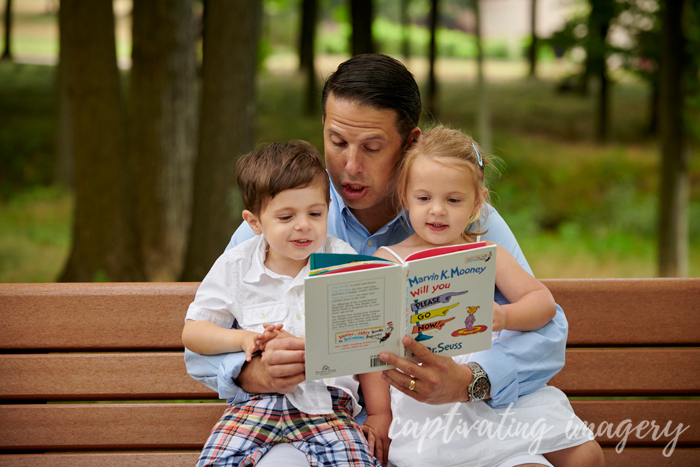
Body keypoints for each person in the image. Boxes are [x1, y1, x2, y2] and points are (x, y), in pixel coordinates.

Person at [184, 53, 571, 467]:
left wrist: (469, 381)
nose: (350, 165)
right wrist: (253, 371)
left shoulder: (463, 220)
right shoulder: (278, 225)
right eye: (337, 142)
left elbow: (547, 333)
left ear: (411, 142)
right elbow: (202, 343)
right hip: (314, 424)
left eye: (371, 147)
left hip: (441, 425)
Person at [373, 125, 603, 467]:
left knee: (587, 456)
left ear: (477, 202)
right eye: (424, 198)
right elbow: (374, 354)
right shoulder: (387, 260)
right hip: (430, 403)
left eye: (453, 200)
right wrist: (382, 415)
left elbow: (542, 304)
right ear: (405, 196)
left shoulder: (487, 253)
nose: (437, 210)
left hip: (490, 392)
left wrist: (505, 316)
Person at [182, 141, 388, 466]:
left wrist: (378, 413)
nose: (303, 225)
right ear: (254, 222)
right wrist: (243, 339)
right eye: (286, 216)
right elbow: (194, 333)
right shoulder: (236, 266)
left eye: (315, 213)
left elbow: (369, 346)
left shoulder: (344, 263)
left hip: (326, 406)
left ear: (328, 206)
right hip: (254, 405)